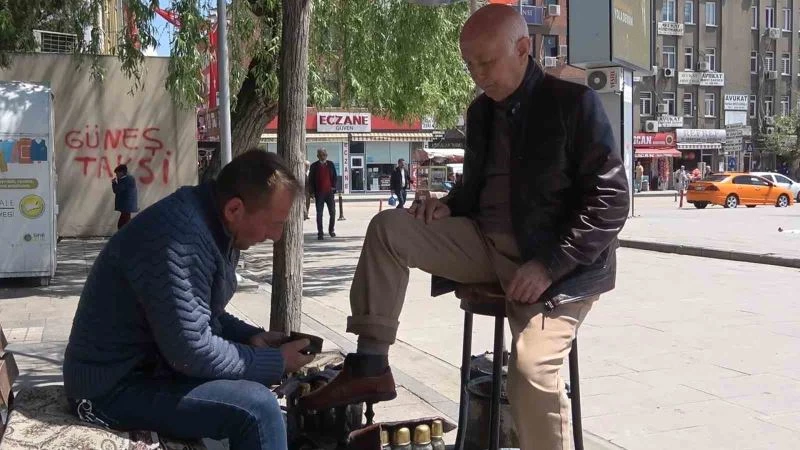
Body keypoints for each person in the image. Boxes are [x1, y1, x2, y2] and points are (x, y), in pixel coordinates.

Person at [299, 6, 629, 450]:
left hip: (557, 266)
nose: (477, 75)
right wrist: (447, 207)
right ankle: (371, 366)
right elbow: (475, 189)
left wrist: (549, 266)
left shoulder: (573, 104)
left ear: (523, 49)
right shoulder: (482, 113)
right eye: (469, 64)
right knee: (387, 228)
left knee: (530, 372)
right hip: (484, 245)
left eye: (486, 62)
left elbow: (611, 201)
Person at [63, 150, 314, 450]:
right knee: (258, 409)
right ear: (235, 209)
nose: (277, 235)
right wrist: (275, 361)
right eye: (274, 223)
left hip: (147, 371)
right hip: (107, 389)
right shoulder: (180, 237)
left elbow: (205, 312)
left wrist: (251, 337)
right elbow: (190, 351)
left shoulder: (214, 222)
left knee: (256, 387)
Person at [308, 148, 338, 240]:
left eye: (324, 154)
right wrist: (311, 192)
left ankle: (331, 230)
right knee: (319, 214)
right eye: (321, 155)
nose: (323, 156)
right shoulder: (314, 166)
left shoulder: (331, 164)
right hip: (319, 193)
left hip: (329, 193)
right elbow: (310, 180)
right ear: (318, 156)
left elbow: (334, 177)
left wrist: (333, 187)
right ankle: (320, 233)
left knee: (332, 212)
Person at [111, 164, 138, 229]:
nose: (116, 175)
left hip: (126, 205)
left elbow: (116, 190)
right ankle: (125, 235)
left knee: (123, 223)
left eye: (117, 173)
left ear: (121, 172)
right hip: (127, 205)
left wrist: (114, 183)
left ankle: (126, 236)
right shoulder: (129, 179)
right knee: (124, 222)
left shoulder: (125, 180)